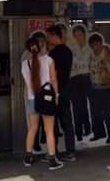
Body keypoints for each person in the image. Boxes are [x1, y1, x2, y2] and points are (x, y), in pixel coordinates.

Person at [21, 38, 63, 170]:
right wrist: (56, 95)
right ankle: (52, 160)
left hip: (31, 98)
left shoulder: (25, 64)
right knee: (49, 130)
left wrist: (28, 98)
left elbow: (26, 86)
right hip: (46, 98)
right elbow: (54, 80)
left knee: (32, 129)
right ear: (41, 46)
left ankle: (28, 157)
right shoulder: (48, 60)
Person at [46, 25, 76, 162]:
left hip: (55, 91)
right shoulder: (68, 52)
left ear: (54, 36)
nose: (48, 39)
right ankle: (71, 151)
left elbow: (53, 75)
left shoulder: (53, 55)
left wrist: (55, 92)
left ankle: (54, 152)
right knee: (67, 122)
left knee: (53, 123)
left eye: (48, 36)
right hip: (66, 89)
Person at [88, 35, 110, 144]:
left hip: (107, 89)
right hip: (95, 88)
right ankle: (99, 133)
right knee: (95, 113)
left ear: (101, 44)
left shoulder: (107, 55)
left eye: (98, 44)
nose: (96, 47)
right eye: (93, 45)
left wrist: (107, 76)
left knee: (108, 113)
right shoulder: (91, 55)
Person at [70, 25, 92, 141]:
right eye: (76, 35)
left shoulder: (90, 48)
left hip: (86, 78)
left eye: (80, 35)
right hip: (74, 79)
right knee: (76, 106)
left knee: (84, 105)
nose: (78, 37)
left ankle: (87, 128)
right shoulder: (72, 48)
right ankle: (78, 132)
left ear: (84, 35)